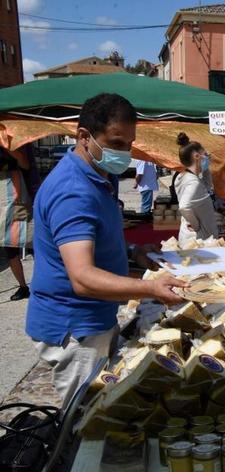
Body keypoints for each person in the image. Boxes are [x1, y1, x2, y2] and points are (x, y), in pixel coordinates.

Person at [26, 93, 185, 405]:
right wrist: (149, 288)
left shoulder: (101, 176)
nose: (124, 153)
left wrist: (133, 251)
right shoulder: (73, 191)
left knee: (106, 407)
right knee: (85, 422)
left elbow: (96, 240)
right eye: (116, 142)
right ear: (84, 136)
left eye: (129, 143)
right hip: (76, 329)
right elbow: (82, 277)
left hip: (96, 318)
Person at [0, 146, 38, 301]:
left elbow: (25, 164)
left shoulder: (16, 141)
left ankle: (45, 282)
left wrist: (6, 146)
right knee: (8, 244)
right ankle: (23, 287)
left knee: (32, 240)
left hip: (18, 194)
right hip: (3, 196)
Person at [174, 133, 219, 247]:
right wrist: (196, 225)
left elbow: (207, 186)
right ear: (197, 156)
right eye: (205, 155)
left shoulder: (183, 177)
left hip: (192, 238)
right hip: (198, 241)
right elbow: (184, 206)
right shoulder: (193, 182)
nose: (207, 158)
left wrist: (205, 169)